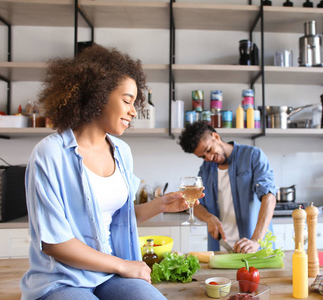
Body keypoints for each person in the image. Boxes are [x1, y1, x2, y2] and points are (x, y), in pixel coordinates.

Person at [20, 45, 201, 300]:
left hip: (108, 277)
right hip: (62, 280)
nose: (133, 111)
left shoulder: (122, 152)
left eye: (134, 102)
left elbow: (117, 218)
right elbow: (54, 243)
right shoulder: (50, 154)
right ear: (98, 95)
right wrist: (124, 265)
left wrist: (161, 205)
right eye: (127, 100)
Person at [178, 121, 277, 253]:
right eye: (202, 156)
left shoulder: (253, 155)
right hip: (221, 250)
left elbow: (269, 197)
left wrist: (256, 240)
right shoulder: (205, 169)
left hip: (254, 247)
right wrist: (209, 218)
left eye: (208, 150)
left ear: (216, 137)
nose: (208, 158)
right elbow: (195, 204)